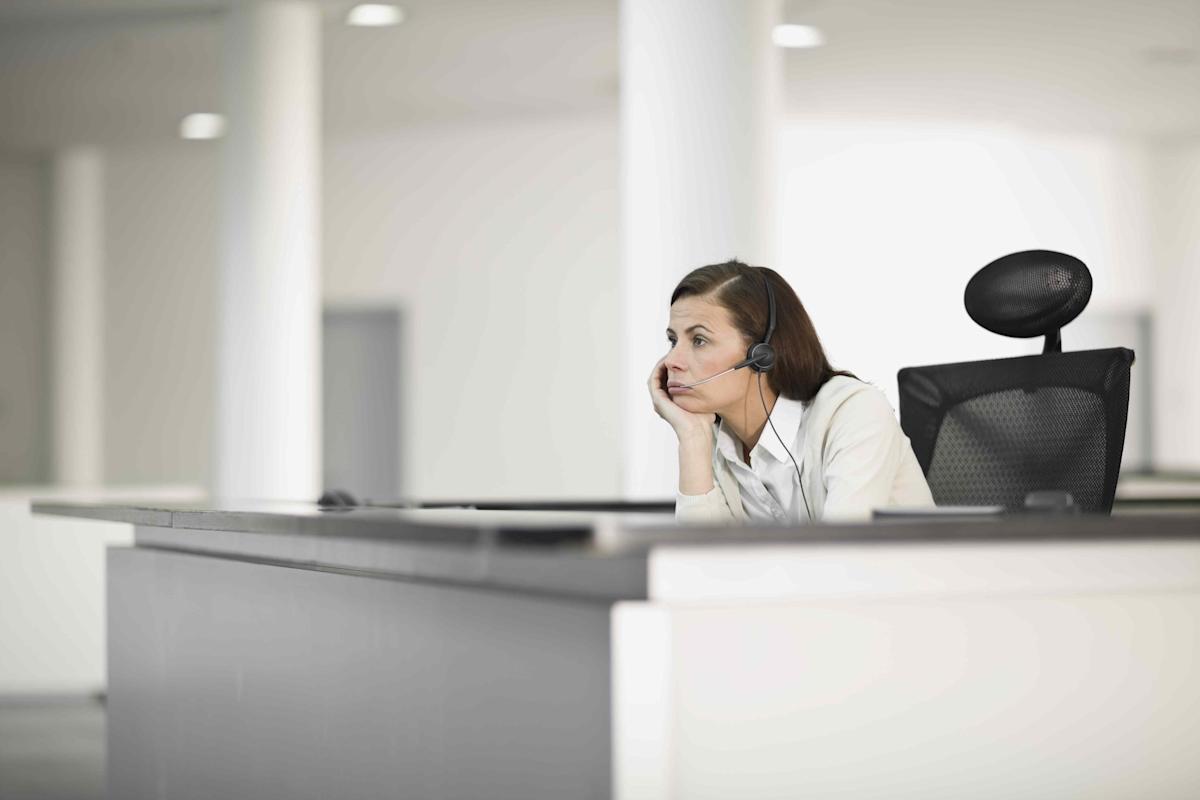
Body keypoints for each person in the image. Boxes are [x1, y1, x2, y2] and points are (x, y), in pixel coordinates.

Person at [648, 259, 934, 523]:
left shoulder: (855, 413)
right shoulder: (710, 440)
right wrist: (691, 438)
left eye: (699, 340)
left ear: (760, 354)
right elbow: (700, 558)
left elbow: (843, 554)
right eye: (673, 341)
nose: (672, 360)